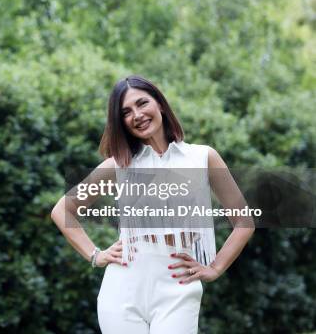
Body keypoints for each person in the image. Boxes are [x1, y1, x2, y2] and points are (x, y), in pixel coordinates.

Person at [51, 75, 255, 334]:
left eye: (142, 103)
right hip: (123, 287)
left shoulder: (203, 157)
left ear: (159, 103)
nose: (137, 115)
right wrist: (96, 255)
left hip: (179, 286)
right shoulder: (119, 166)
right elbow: (62, 210)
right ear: (121, 122)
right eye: (126, 112)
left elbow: (244, 221)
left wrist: (215, 267)